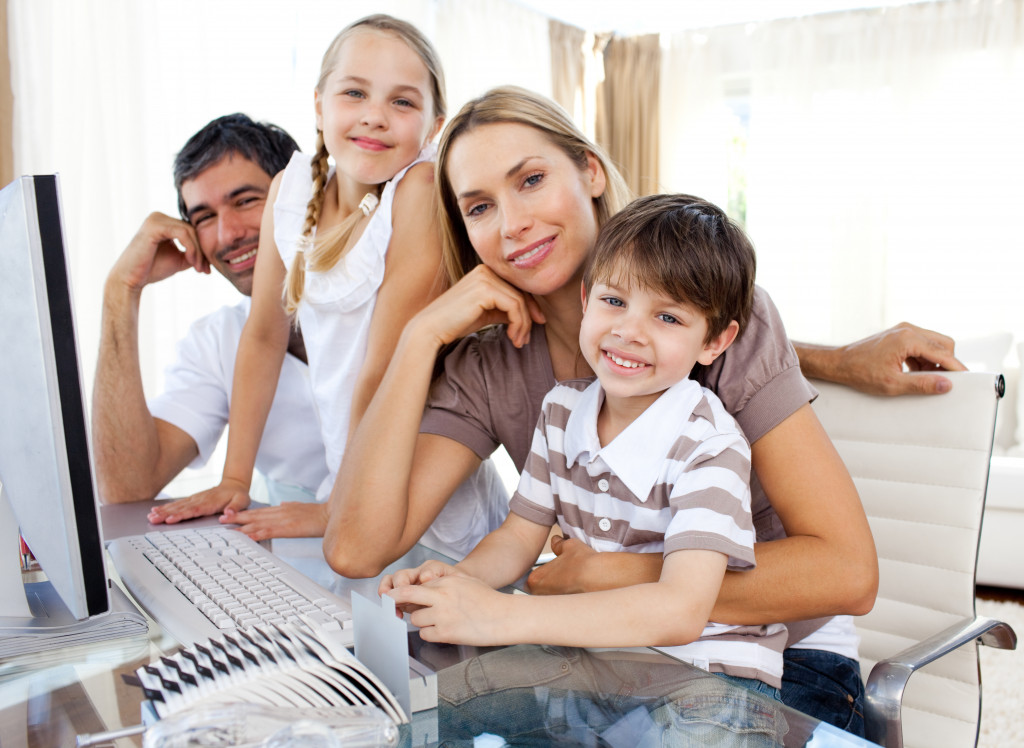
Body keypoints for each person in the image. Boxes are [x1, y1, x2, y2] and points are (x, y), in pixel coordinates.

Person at [326, 86, 965, 734]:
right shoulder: (501, 372)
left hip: (774, 662)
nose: (512, 222)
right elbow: (355, 549)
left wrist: (603, 575)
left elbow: (848, 575)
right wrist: (419, 335)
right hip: (608, 654)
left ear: (590, 171)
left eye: (532, 180)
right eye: (480, 206)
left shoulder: (713, 325)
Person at [384, 192, 789, 702]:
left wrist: (506, 614)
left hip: (707, 680)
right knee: (437, 706)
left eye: (668, 318)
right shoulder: (561, 411)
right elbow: (517, 537)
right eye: (614, 301)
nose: (628, 332)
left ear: (715, 342)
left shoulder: (711, 444)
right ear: (585, 299)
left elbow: (681, 611)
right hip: (592, 665)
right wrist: (459, 584)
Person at [147, 15, 507, 555]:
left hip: (418, 492)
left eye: (402, 103)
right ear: (319, 106)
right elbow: (265, 336)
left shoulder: (418, 192)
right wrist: (235, 480)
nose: (375, 117)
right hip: (352, 484)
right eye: (354, 93)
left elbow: (383, 367)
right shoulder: (291, 189)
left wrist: (343, 501)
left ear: (435, 127)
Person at [93, 113, 330, 522]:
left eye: (245, 201)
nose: (228, 234)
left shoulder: (386, 289)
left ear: (298, 198)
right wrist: (121, 291)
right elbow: (126, 486)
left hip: (438, 561)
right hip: (300, 572)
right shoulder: (216, 341)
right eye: (204, 217)